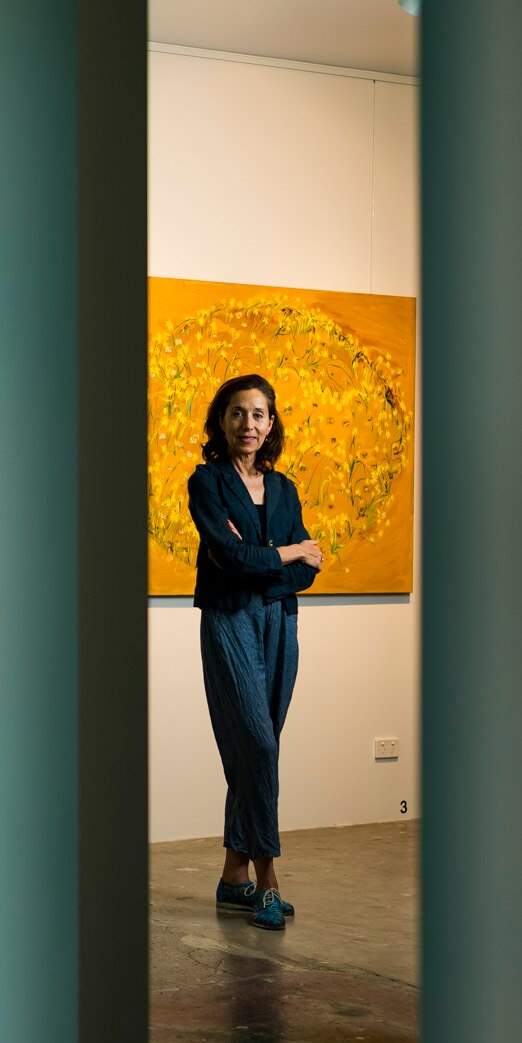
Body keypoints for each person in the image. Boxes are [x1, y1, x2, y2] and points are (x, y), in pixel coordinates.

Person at [186, 374, 321, 930]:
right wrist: (284, 554)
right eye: (238, 413)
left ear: (272, 424)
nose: (249, 424)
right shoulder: (207, 482)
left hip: (280, 622)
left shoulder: (284, 489)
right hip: (229, 620)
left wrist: (263, 559)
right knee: (260, 748)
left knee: (254, 750)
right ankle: (267, 882)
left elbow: (305, 572)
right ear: (222, 420)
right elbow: (232, 557)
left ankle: (231, 877)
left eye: (259, 414)